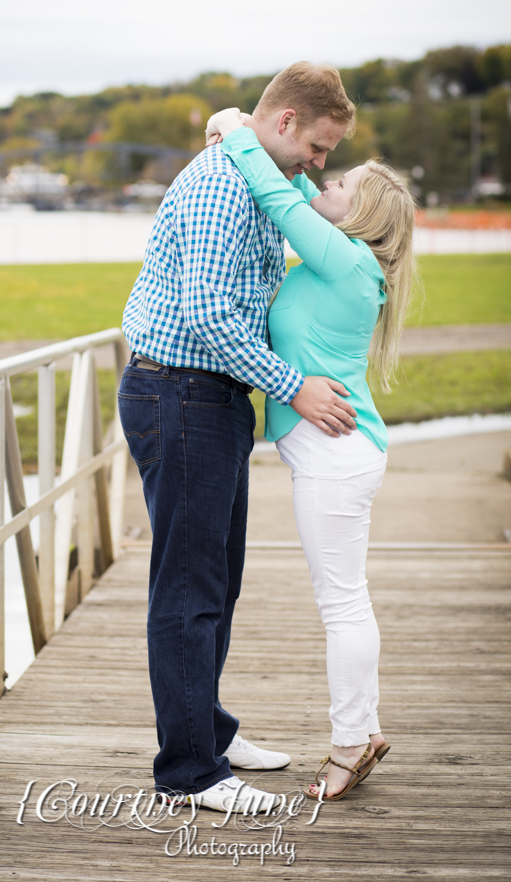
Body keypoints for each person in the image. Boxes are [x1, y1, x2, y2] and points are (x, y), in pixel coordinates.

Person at [118, 63, 358, 813]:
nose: (321, 164)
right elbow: (211, 319)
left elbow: (297, 200)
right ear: (285, 122)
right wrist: (296, 387)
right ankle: (190, 772)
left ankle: (208, 733)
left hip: (206, 397)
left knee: (215, 580)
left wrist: (230, 122)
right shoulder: (226, 186)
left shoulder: (251, 168)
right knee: (188, 589)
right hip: (181, 391)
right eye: (318, 147)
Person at [204, 106, 416, 800]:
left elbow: (276, 195)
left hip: (335, 453)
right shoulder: (346, 255)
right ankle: (366, 728)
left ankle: (349, 744)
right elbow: (292, 191)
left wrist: (238, 134)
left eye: (343, 183)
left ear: (359, 216)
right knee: (345, 600)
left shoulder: (346, 259)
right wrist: (236, 134)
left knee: (342, 605)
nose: (322, 178)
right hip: (333, 450)